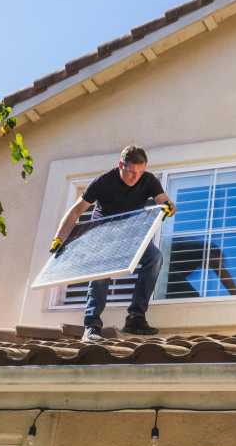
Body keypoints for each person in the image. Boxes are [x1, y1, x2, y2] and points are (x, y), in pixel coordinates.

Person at [50, 145, 175, 341]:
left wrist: (168, 207)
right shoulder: (103, 182)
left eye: (140, 172)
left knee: (155, 257)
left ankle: (136, 317)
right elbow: (76, 211)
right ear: (120, 165)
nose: (136, 177)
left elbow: (163, 200)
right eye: (132, 172)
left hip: (132, 231)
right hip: (104, 232)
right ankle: (91, 326)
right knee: (101, 271)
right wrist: (59, 238)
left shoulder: (148, 180)